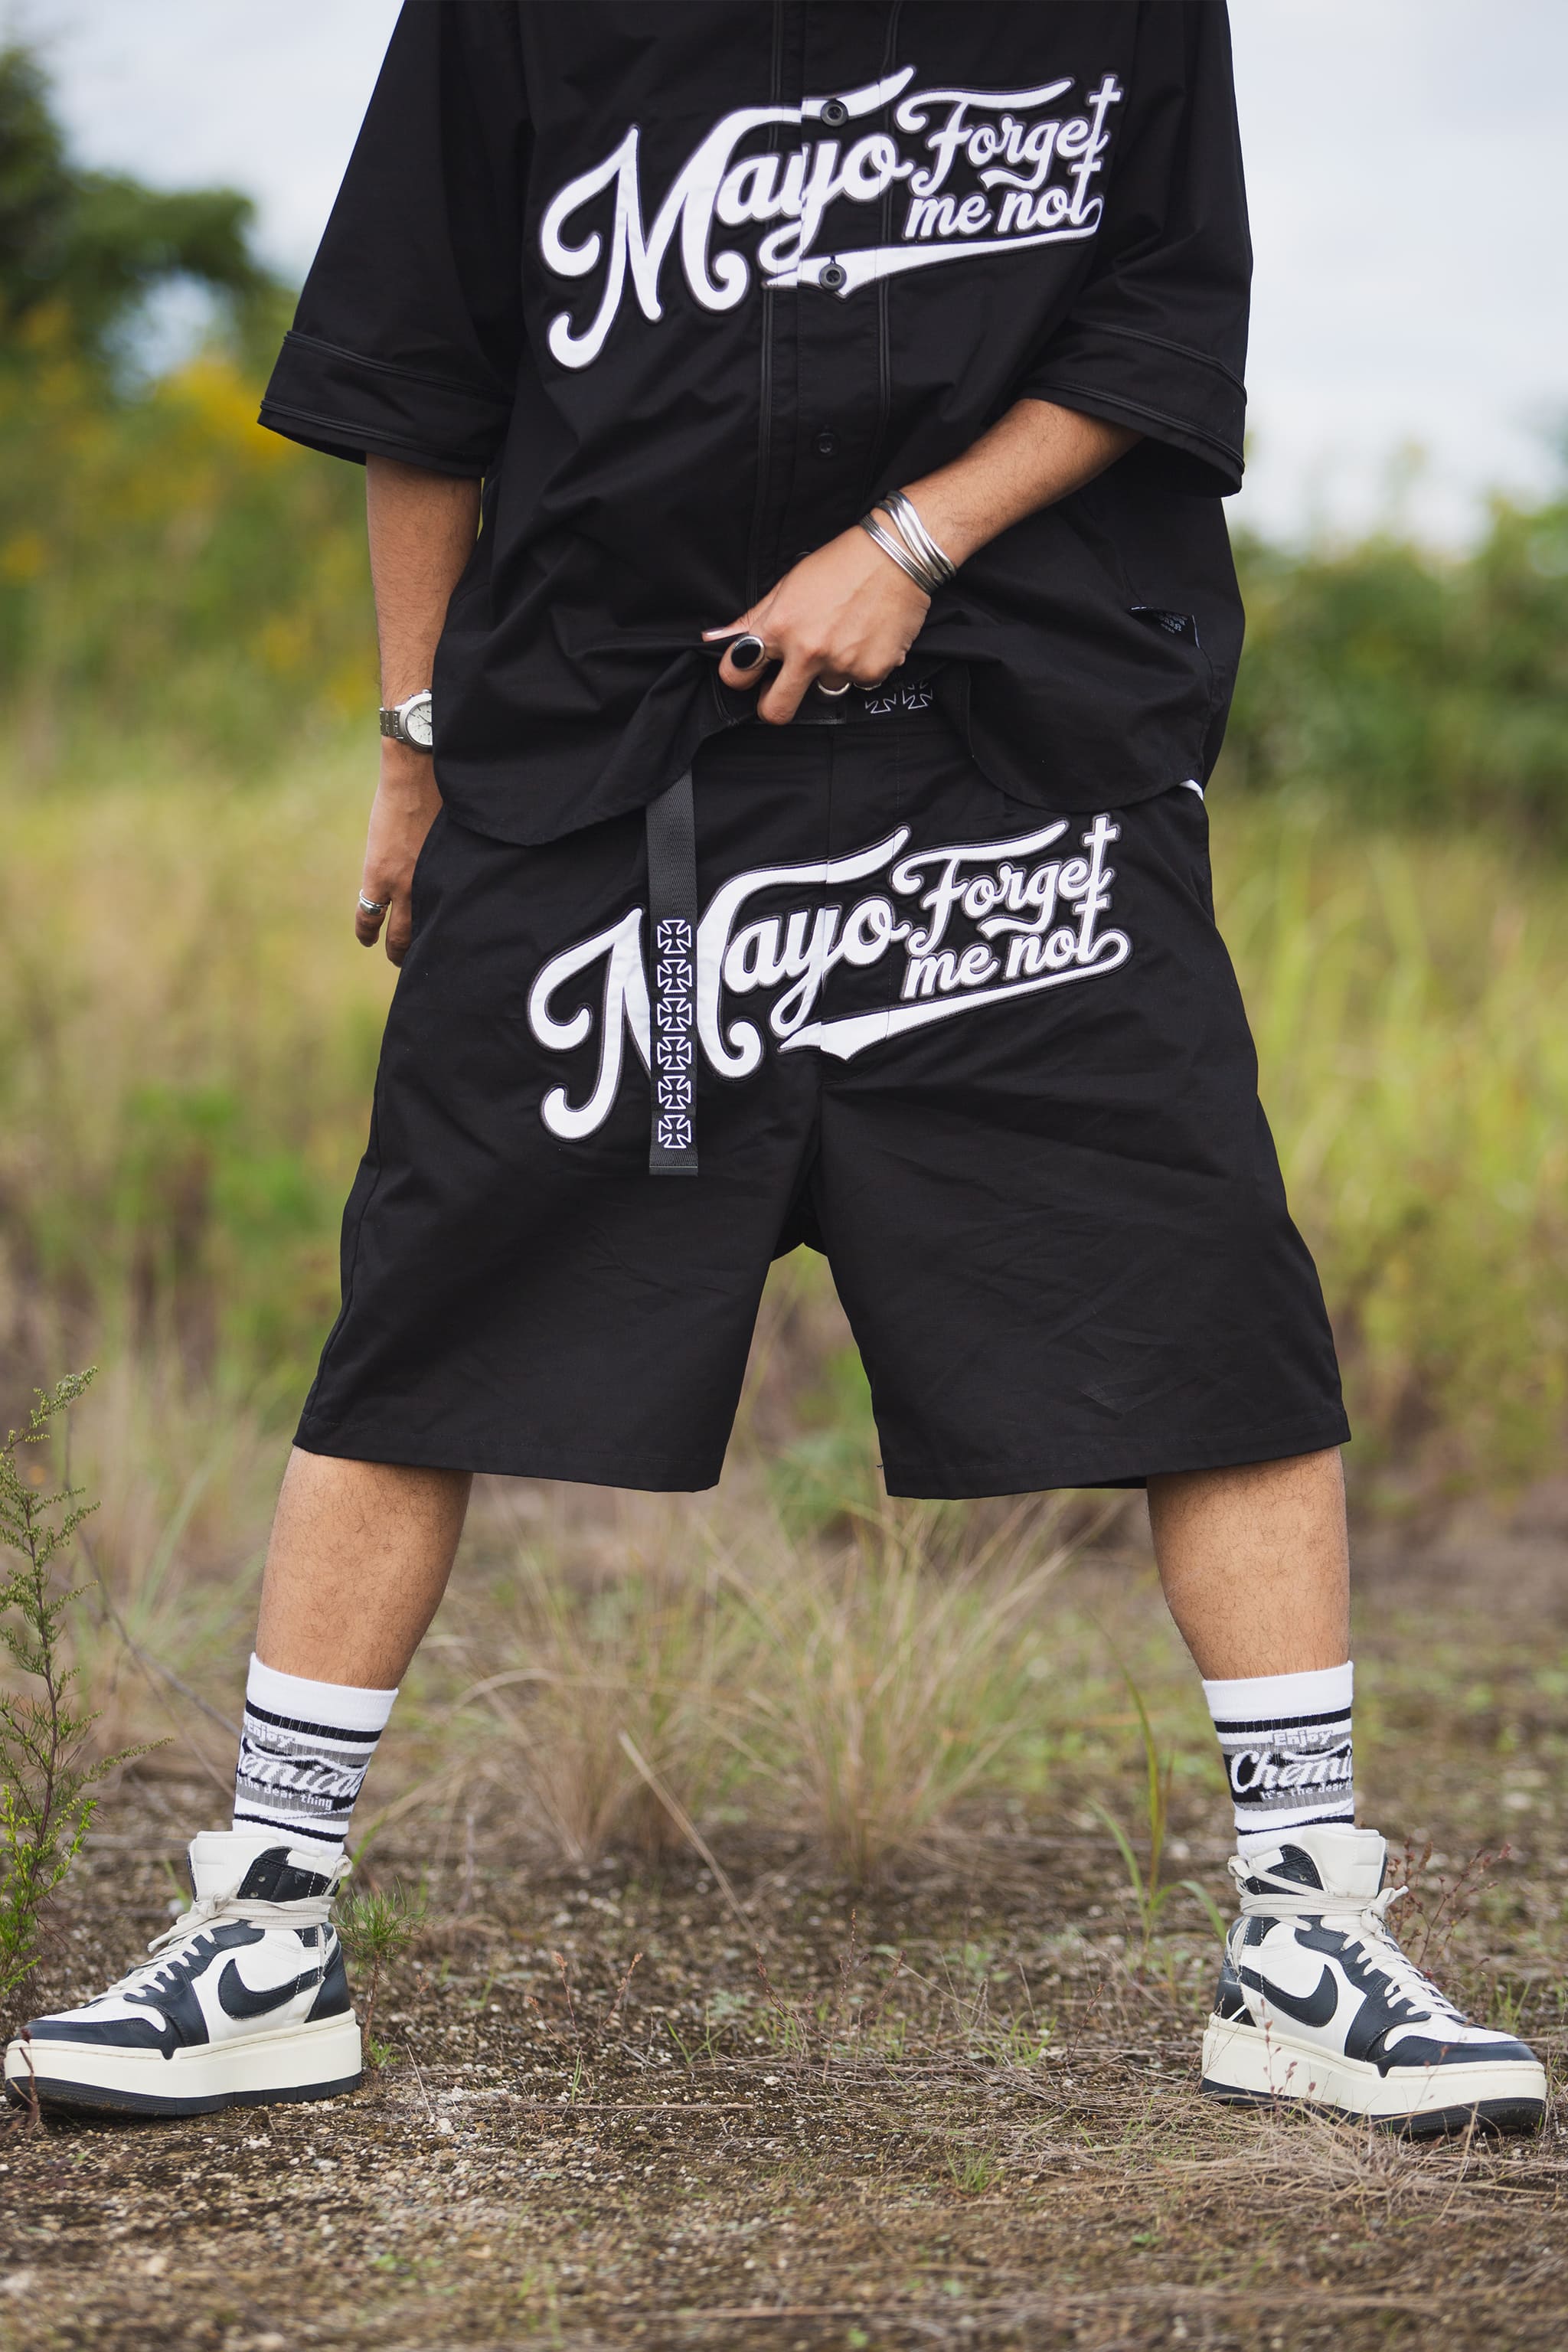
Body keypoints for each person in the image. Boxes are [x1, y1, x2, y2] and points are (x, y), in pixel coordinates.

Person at [6, 2, 1543, 2135]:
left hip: (1019, 777)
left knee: (1212, 1314)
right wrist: (420, 745)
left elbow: (1163, 320)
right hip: (604, 768)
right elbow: (424, 371)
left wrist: (913, 541)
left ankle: (1307, 1938)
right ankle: (264, 1931)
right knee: (425, 1317)